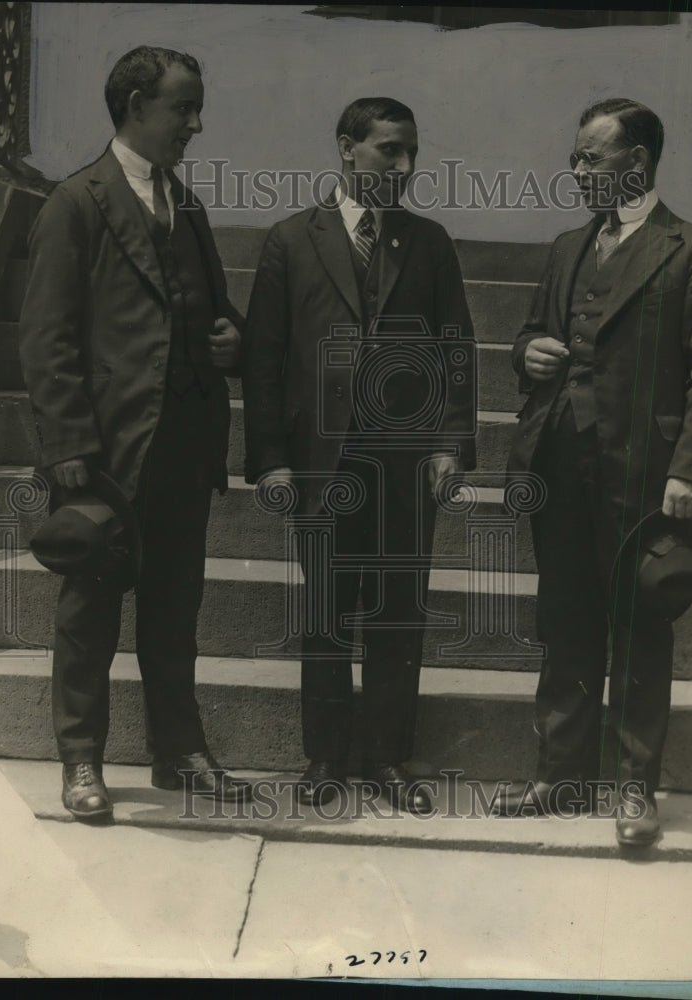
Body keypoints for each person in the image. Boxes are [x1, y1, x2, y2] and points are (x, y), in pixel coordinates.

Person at [501, 98, 692, 844]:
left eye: (592, 158)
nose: (577, 170)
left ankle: (635, 789)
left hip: (647, 476)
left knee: (639, 630)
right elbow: (534, 335)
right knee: (566, 623)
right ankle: (562, 778)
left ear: (635, 163)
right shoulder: (568, 246)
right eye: (576, 157)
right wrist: (528, 352)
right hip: (561, 462)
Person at [19, 46, 250, 821]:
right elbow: (46, 340)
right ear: (136, 104)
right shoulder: (75, 203)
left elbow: (215, 309)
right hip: (107, 449)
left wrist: (231, 340)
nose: (196, 122)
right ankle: (81, 760)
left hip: (183, 442)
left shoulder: (187, 205)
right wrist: (69, 448)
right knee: (89, 607)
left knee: (175, 606)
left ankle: (179, 753)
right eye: (183, 107)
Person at [243, 98, 476, 814]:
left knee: (398, 612)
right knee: (325, 612)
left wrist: (451, 444)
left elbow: (455, 350)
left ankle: (386, 755)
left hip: (404, 466)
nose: (403, 166)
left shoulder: (428, 243)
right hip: (322, 461)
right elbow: (264, 359)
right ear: (347, 149)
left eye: (411, 151)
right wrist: (272, 459)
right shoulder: (291, 240)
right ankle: (325, 757)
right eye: (387, 151)